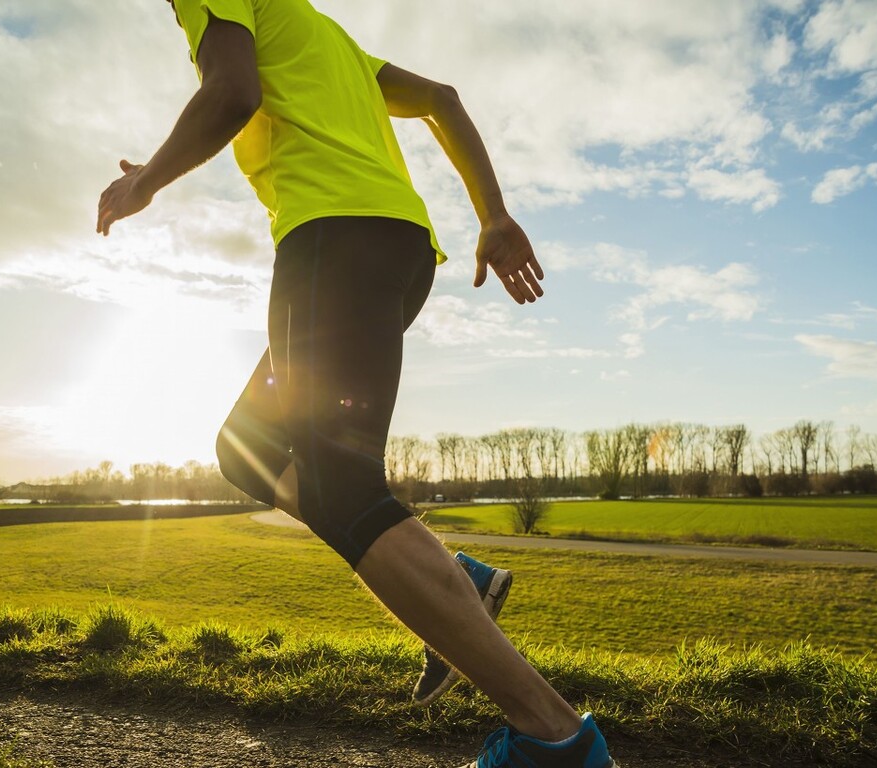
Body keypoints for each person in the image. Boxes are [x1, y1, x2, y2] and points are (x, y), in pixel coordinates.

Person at [96, 1, 617, 766]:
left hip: (332, 238)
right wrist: (493, 215)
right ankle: (456, 584)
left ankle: (553, 737)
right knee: (246, 446)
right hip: (398, 253)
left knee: (342, 485)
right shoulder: (324, 36)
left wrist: (148, 178)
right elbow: (444, 99)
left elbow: (232, 93)